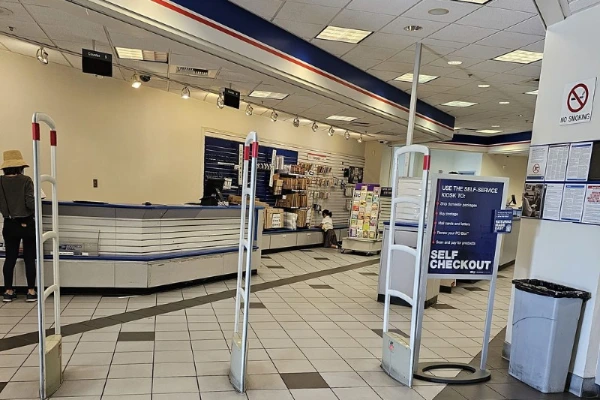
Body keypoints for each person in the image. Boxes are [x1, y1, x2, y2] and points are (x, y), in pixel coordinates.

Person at [0, 150, 37, 302]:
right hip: (27, 223)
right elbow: (30, 204)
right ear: (20, 166)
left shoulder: (0, 182)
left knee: (10, 258)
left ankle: (8, 291)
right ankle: (31, 291)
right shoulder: (26, 180)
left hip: (9, 224)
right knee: (29, 258)